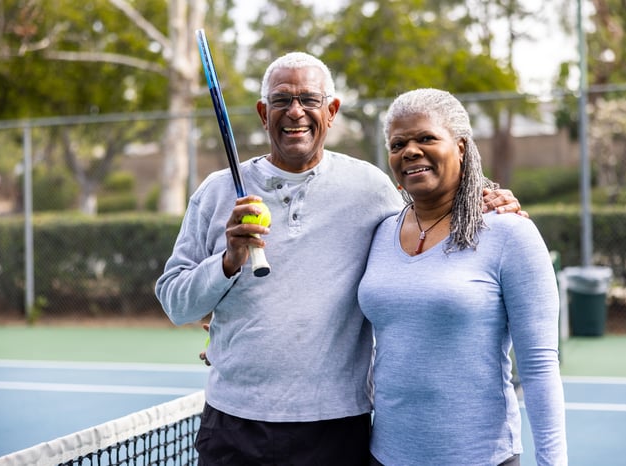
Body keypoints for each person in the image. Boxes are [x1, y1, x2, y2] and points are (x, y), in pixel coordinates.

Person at [156, 53, 523, 465]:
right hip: (234, 424)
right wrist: (227, 260)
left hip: (337, 428)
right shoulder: (214, 191)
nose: (295, 111)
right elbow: (175, 302)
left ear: (331, 112)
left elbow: (430, 217)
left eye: (309, 100)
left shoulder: (371, 189)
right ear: (263, 113)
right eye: (281, 100)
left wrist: (488, 199)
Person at [357, 88, 567, 466]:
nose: (410, 151)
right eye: (398, 143)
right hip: (385, 456)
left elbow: (538, 367)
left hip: (480, 458)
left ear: (462, 148)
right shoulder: (379, 231)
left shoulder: (508, 233)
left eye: (426, 138)